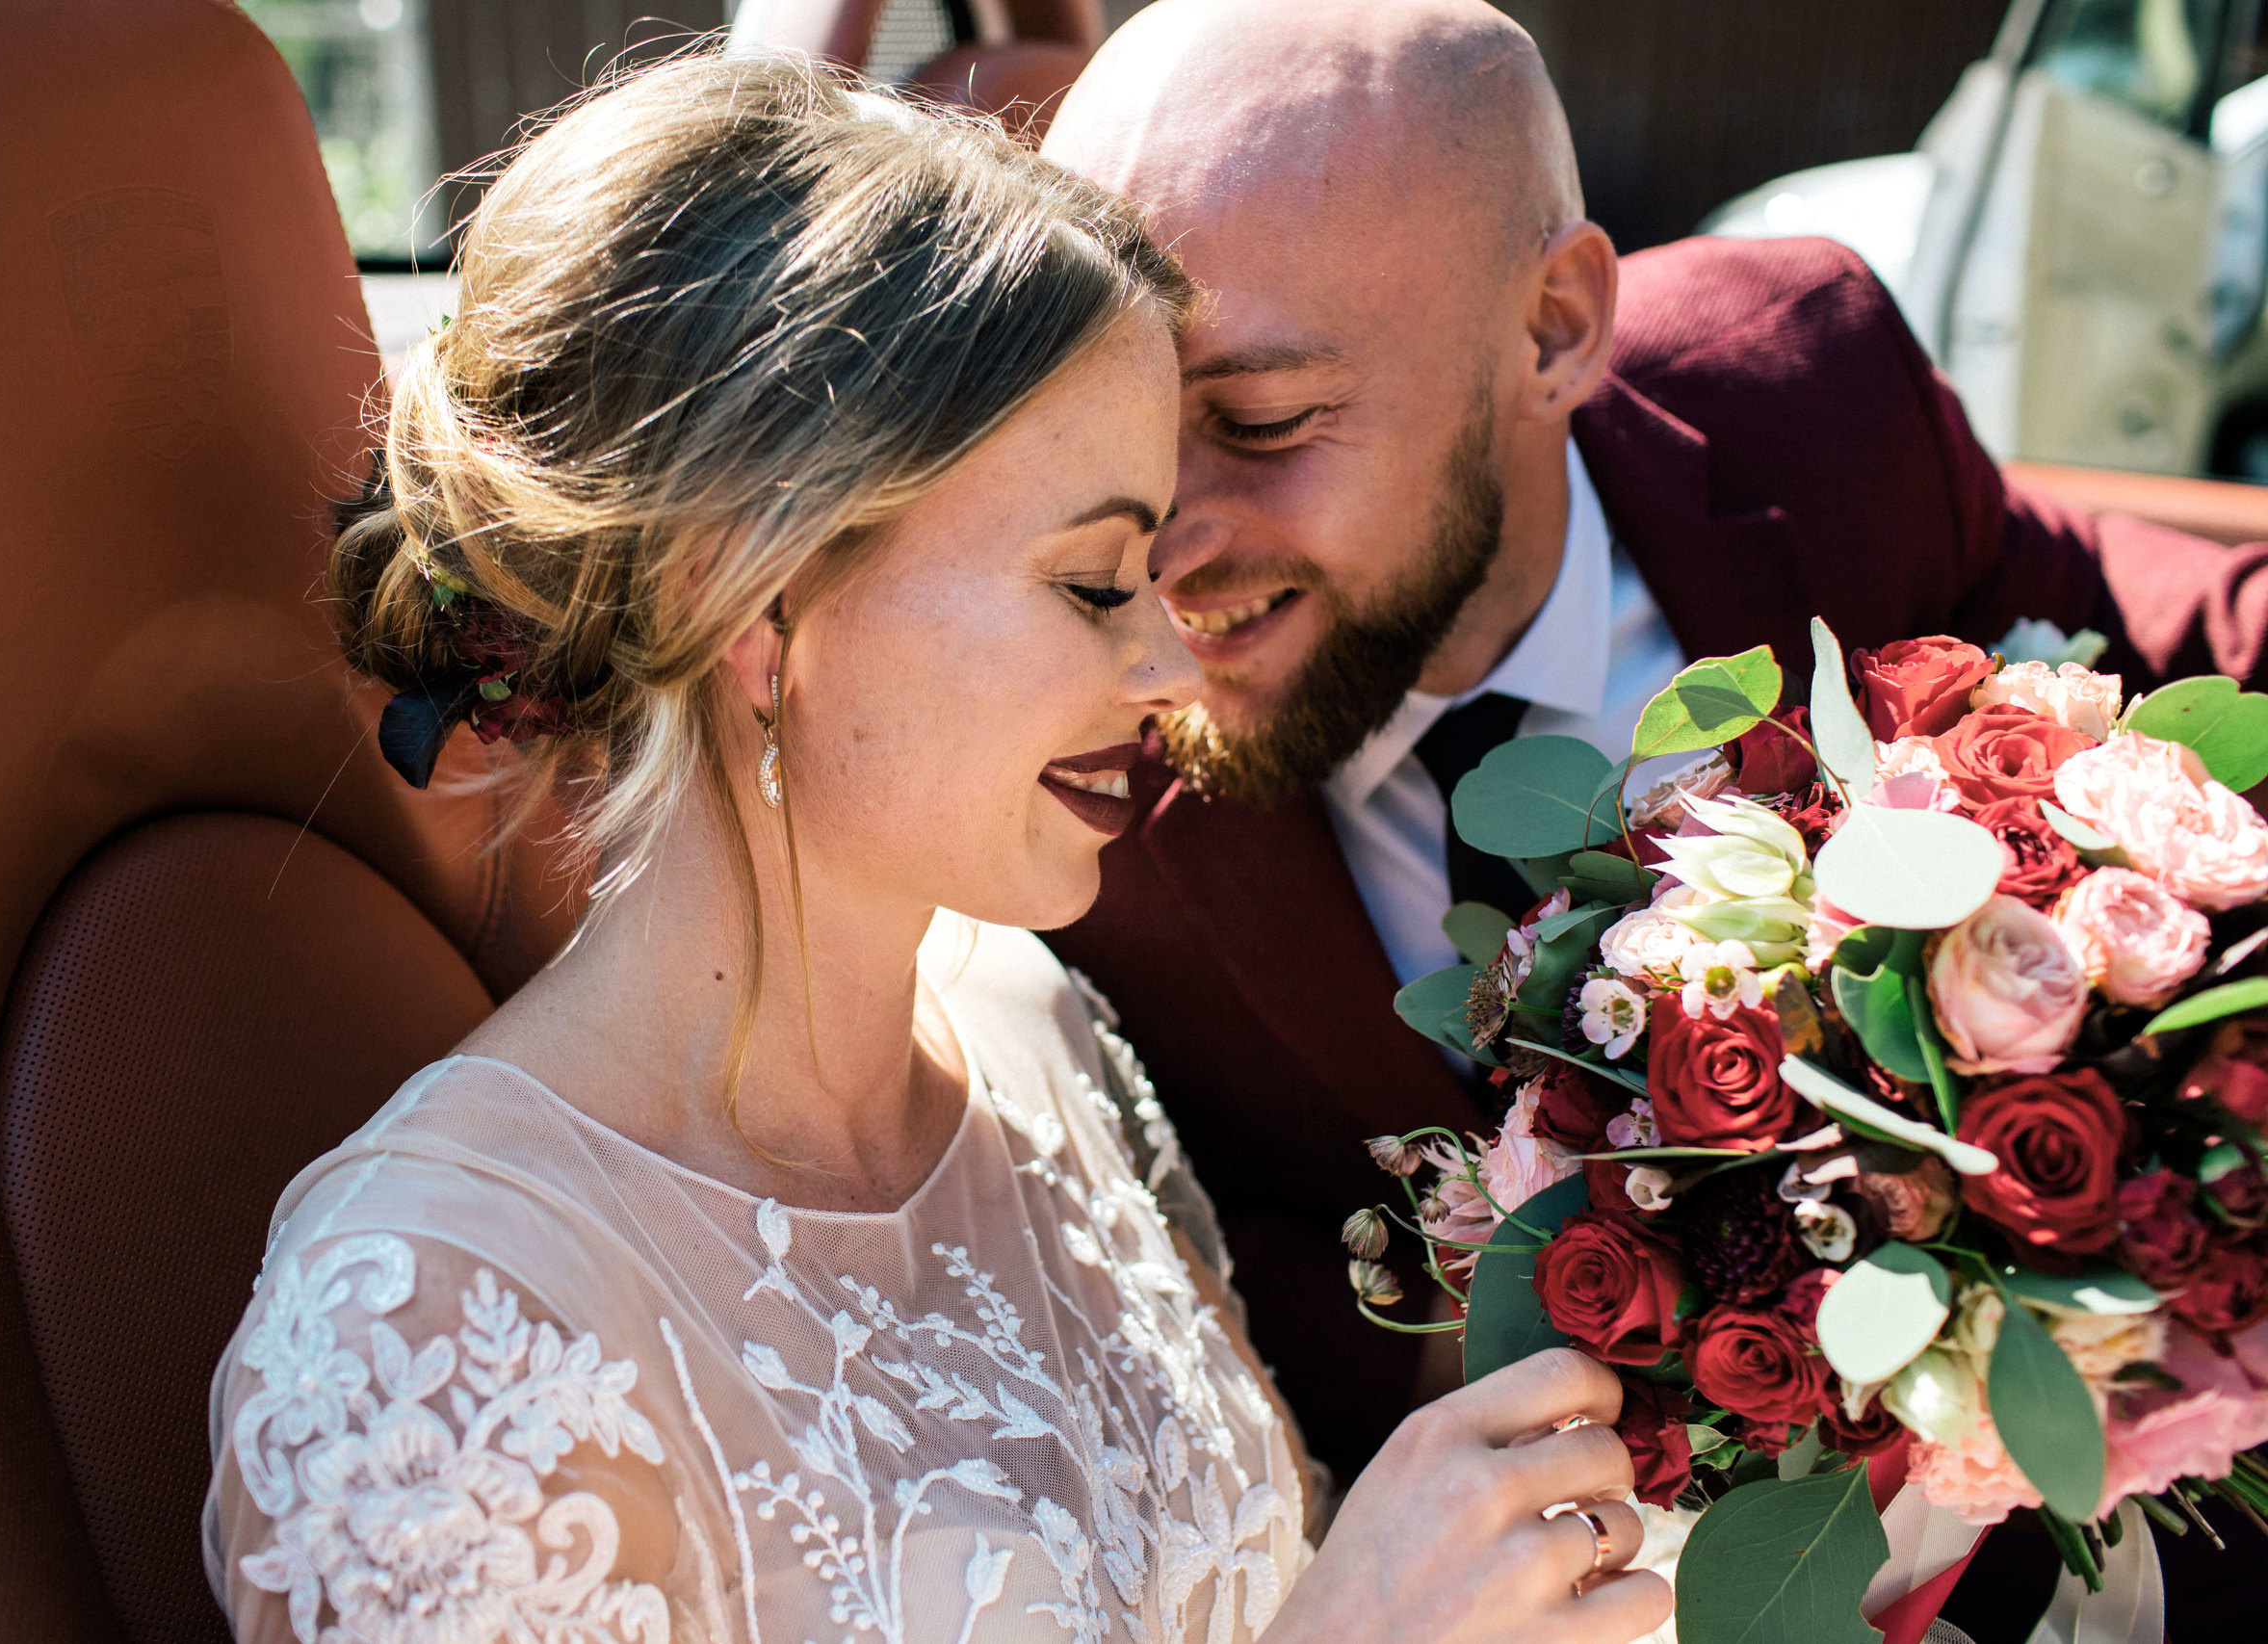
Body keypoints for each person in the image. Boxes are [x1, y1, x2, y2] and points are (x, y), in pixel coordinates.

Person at [201, 52, 1672, 1644]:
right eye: (1098, 582)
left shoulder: (1037, 1026)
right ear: (758, 606)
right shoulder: (438, 1332)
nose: (1175, 667)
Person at [1038, 0, 2268, 1495]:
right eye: (1110, 423)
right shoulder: (1053, 721)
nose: (1160, 544)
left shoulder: (1801, 392)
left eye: (1265, 420)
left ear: (1553, 328)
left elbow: (2101, 598)